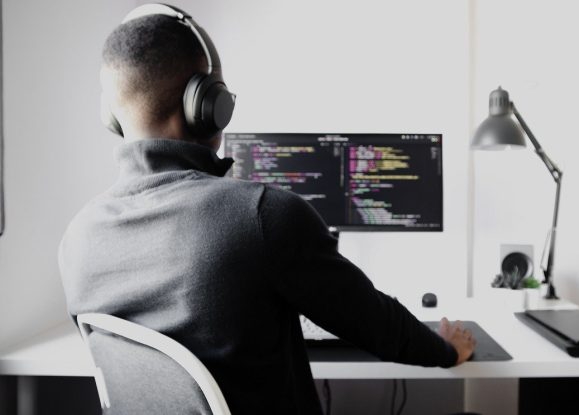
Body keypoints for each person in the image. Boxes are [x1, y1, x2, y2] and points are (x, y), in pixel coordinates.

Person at [58, 6, 475, 415]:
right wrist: (446, 348)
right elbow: (379, 326)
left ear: (112, 114)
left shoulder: (76, 241)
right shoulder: (261, 215)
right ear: (208, 104)